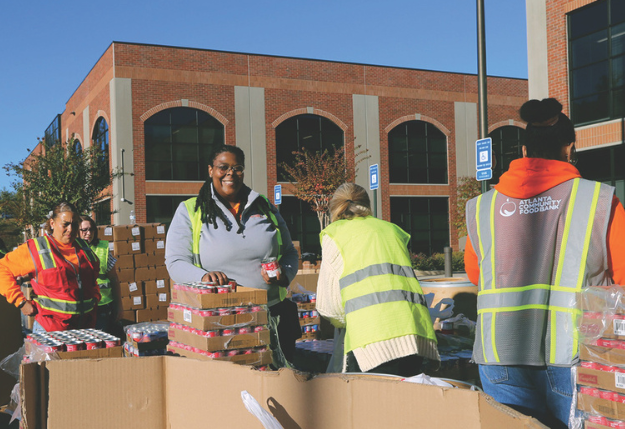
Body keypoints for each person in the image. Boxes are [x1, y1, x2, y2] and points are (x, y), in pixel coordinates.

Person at [465, 98, 625, 429]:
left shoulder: (482, 208)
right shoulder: (598, 200)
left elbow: (478, 276)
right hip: (574, 357)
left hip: (499, 355)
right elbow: (623, 280)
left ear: (524, 152)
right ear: (570, 149)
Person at [165, 145, 300, 367]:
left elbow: (289, 253)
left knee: (278, 387)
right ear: (210, 170)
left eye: (237, 168)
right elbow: (175, 262)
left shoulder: (264, 206)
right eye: (223, 167)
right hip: (220, 322)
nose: (230, 174)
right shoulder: (191, 210)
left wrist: (285, 273)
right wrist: (203, 277)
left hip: (272, 317)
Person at [317, 183, 438, 375]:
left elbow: (328, 306)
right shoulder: (392, 231)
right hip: (415, 334)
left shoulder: (335, 235)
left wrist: (348, 321)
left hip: (370, 343)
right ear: (367, 205)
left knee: (371, 404)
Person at [0, 201, 101, 332]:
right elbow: (1, 269)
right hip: (51, 330)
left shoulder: (84, 248)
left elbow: (91, 280)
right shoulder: (36, 249)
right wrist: (20, 302)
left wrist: (96, 296)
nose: (70, 229)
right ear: (52, 223)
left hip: (85, 329)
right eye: (65, 224)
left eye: (74, 224)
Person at [79, 215, 123, 335]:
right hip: (79, 307)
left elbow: (114, 278)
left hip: (102, 306)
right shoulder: (71, 250)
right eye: (84, 230)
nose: (89, 233)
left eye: (91, 229)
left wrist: (118, 306)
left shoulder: (102, 249)